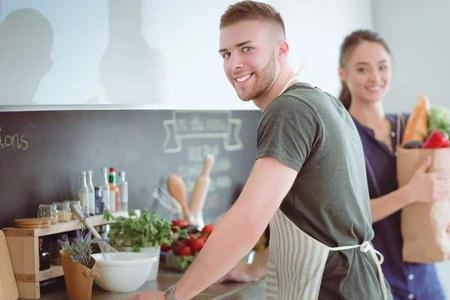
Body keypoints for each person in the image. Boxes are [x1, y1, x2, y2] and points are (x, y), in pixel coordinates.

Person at [132, 2, 391, 299]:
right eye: (226, 54)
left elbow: (249, 218)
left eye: (246, 49)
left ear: (281, 50)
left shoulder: (288, 110)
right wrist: (257, 268)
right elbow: (317, 218)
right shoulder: (323, 102)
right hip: (359, 283)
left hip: (332, 288)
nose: (233, 64)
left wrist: (172, 297)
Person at [338, 29, 448, 300]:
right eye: (362, 69)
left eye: (382, 67)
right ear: (343, 74)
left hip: (425, 281)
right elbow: (348, 217)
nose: (375, 78)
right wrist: (411, 192)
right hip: (377, 284)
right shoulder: (340, 137)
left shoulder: (412, 127)